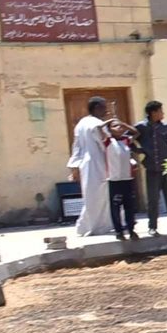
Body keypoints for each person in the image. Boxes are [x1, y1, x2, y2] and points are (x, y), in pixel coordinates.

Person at [67, 96, 114, 236]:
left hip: (86, 164)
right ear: (97, 108)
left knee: (92, 196)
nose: (106, 110)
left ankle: (92, 226)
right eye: (104, 107)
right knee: (100, 196)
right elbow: (106, 144)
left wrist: (74, 166)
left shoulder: (81, 123)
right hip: (99, 162)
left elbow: (77, 147)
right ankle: (94, 226)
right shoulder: (97, 124)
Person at [134, 101, 167, 237]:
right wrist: (139, 150)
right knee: (153, 200)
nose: (163, 114)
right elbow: (128, 138)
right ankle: (152, 227)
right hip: (152, 169)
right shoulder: (141, 127)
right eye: (160, 111)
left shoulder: (166, 128)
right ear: (153, 113)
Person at [104, 120, 140, 241]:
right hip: (114, 180)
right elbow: (99, 128)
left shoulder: (126, 140)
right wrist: (110, 121)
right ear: (109, 130)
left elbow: (136, 132)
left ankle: (131, 230)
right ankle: (119, 232)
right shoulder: (108, 141)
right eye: (115, 127)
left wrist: (124, 125)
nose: (119, 128)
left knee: (129, 206)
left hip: (127, 179)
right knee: (115, 207)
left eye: (120, 126)